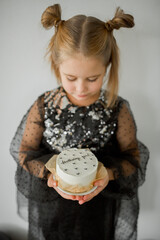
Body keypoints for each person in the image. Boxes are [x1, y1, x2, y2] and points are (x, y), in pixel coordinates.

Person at [10, 4, 149, 240]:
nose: (81, 88)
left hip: (99, 205)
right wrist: (49, 175)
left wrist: (108, 174)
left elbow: (133, 158)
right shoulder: (45, 105)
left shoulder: (118, 108)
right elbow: (24, 152)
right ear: (57, 67)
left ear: (107, 67)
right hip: (52, 205)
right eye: (71, 78)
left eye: (92, 78)